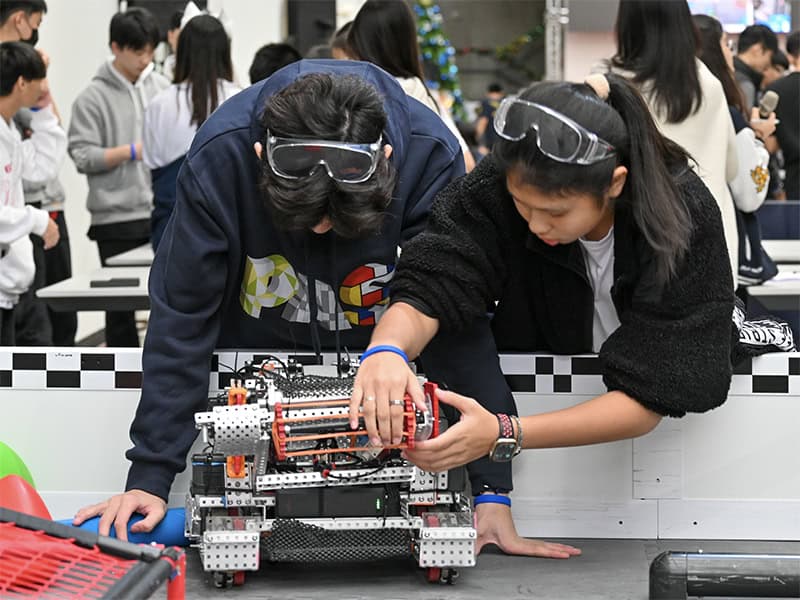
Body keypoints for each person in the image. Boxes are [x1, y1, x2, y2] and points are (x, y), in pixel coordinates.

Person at [72, 60, 465, 542]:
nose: (322, 231)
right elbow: (182, 315)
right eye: (307, 220)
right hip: (255, 382)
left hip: (384, 385)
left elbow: (454, 304)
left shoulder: (429, 154)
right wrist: (150, 479)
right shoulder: (222, 155)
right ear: (260, 156)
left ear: (386, 161)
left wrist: (491, 493)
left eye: (337, 222)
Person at [349, 74, 735, 554]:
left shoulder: (686, 215)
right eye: (522, 205)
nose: (535, 223)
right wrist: (387, 350)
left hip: (666, 499)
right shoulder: (497, 188)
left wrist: (506, 433)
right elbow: (435, 277)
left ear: (615, 183)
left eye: (556, 212)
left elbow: (653, 392)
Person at [603, 0, 739, 279]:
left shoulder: (612, 84)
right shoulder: (707, 83)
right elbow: (732, 168)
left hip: (639, 240)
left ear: (626, 25)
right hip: (713, 245)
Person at [68, 7, 169, 347]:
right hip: (115, 217)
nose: (145, 58)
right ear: (115, 47)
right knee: (119, 309)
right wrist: (130, 151)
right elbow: (81, 155)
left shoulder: (162, 87)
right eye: (137, 51)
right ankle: (117, 380)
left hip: (161, 210)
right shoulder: (92, 97)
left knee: (166, 297)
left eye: (149, 50)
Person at [694, 14, 777, 287]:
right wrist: (756, 141)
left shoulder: (669, 110)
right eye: (725, 45)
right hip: (725, 252)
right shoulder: (728, 115)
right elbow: (750, 194)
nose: (731, 54)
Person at [143, 14, 239, 250]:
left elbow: (152, 162)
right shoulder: (240, 98)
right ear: (225, 51)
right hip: (230, 224)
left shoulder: (159, 104)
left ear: (181, 52)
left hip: (172, 228)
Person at [346, 0, 475, 172]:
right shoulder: (421, 93)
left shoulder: (352, 96)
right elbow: (466, 163)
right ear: (409, 42)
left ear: (358, 43)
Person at [0, 41, 63, 344]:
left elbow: (41, 168)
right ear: (22, 82)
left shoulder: (10, 129)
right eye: (41, 79)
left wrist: (43, 110)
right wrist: (37, 221)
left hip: (12, 284)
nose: (44, 86)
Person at [734, 24, 779, 109]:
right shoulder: (745, 84)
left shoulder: (727, 72)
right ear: (758, 49)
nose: (768, 63)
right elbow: (746, 121)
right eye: (770, 56)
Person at [475, 83, 504, 157]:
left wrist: (481, 144)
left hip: (489, 146)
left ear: (488, 93)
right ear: (501, 93)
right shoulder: (505, 104)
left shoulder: (486, 104)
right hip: (503, 146)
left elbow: (482, 124)